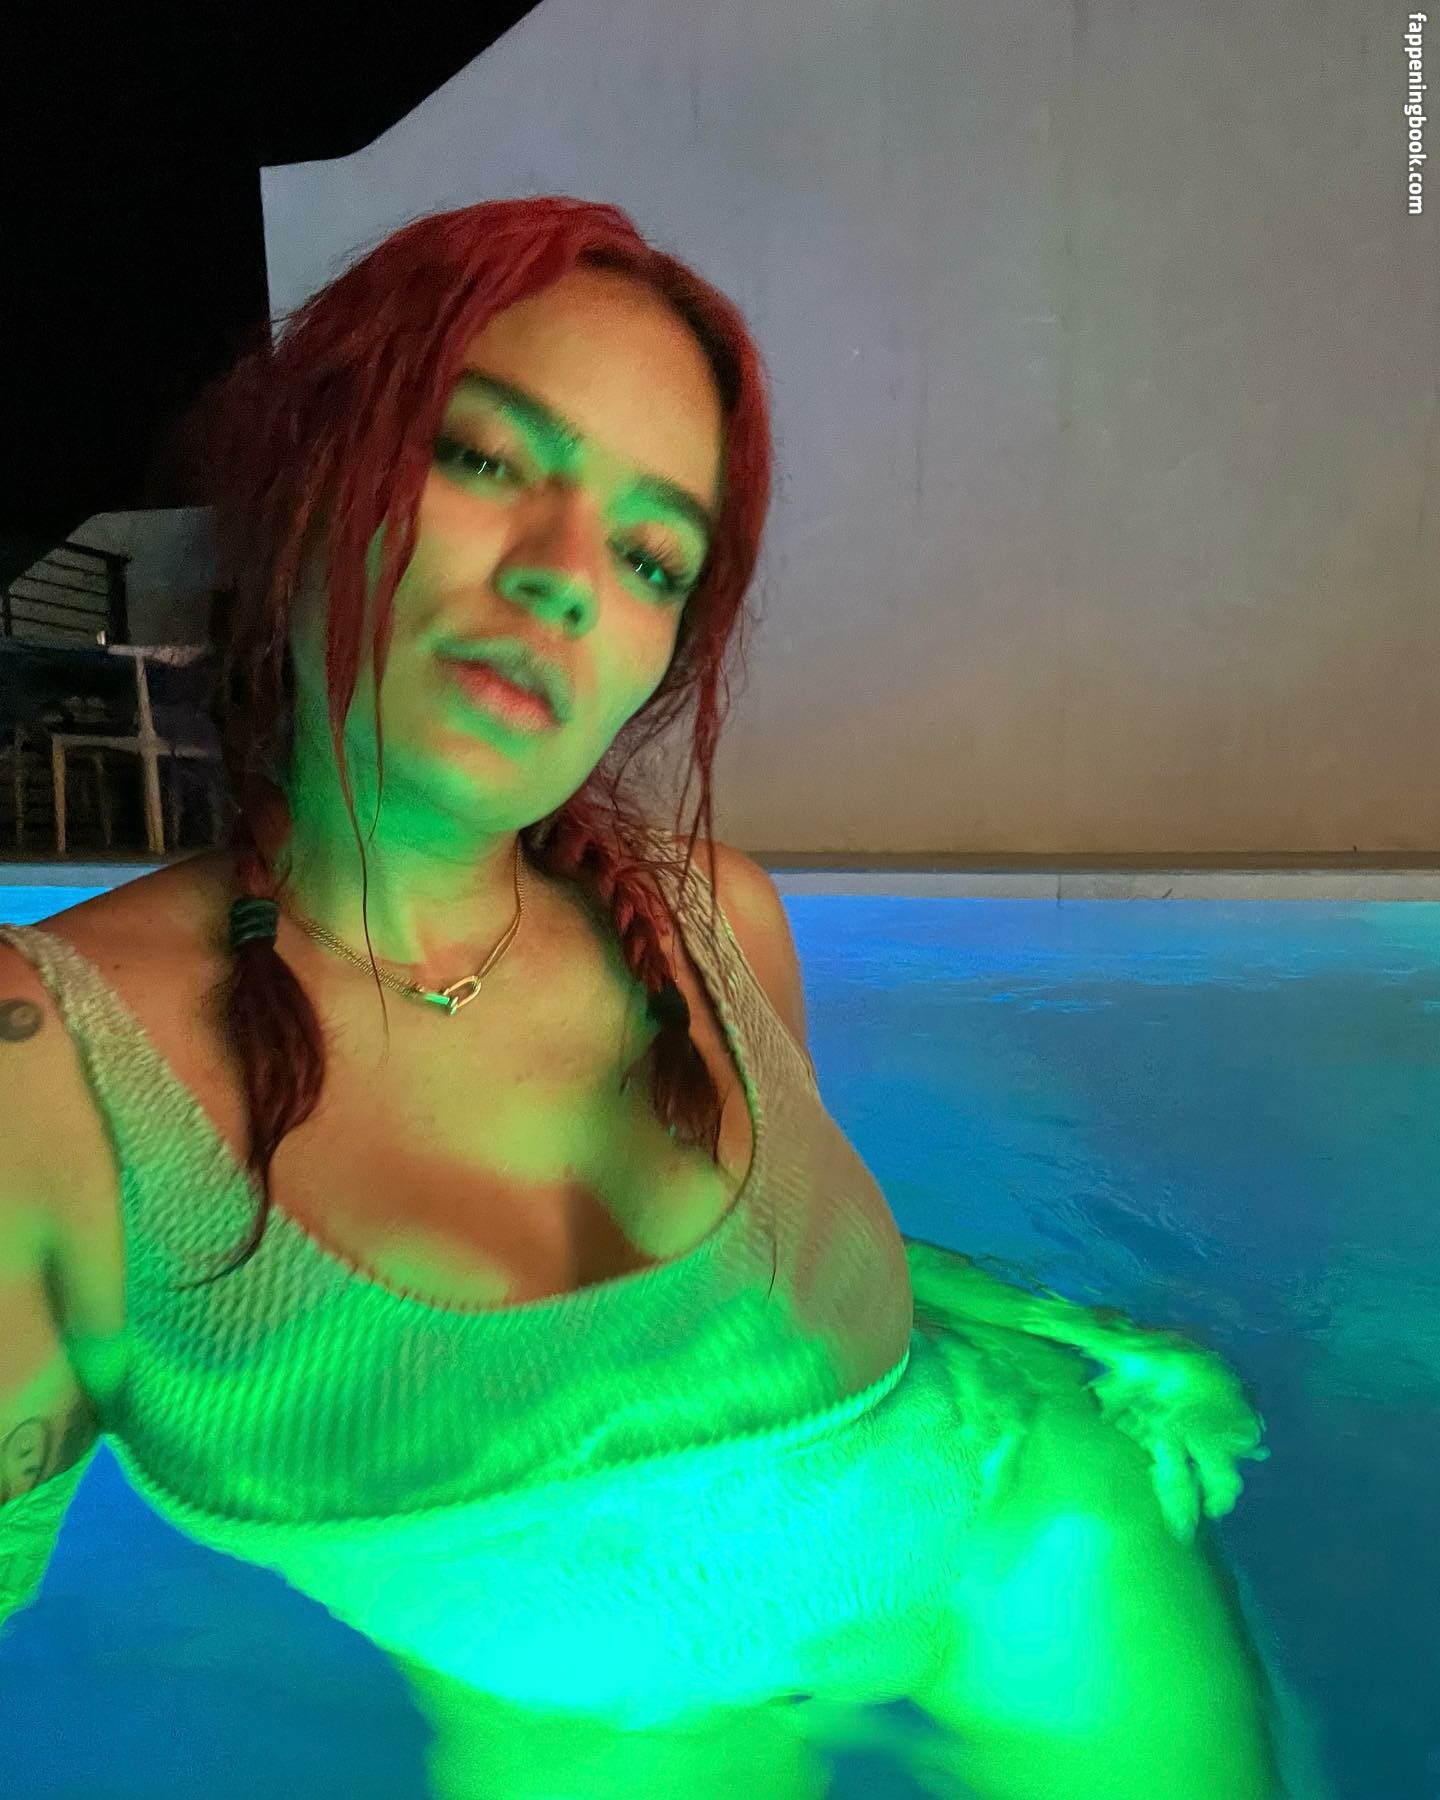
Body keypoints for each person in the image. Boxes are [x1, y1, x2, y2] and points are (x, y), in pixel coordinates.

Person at [0, 196, 1281, 1798]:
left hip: (1032, 1533)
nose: (561, 580)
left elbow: (790, 1280)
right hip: (592, 1717)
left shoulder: (711, 927)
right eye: (485, 459)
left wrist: (1081, 1336)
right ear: (312, 470)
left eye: (648, 554)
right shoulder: (49, 1070)